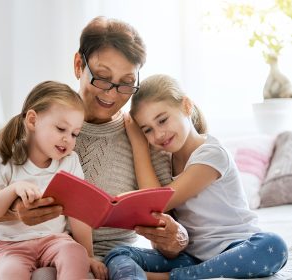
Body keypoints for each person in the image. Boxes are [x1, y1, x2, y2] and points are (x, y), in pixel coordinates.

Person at [0, 17, 189, 280]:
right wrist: (16, 210)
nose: (111, 93)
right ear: (78, 65)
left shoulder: (143, 133)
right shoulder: (45, 122)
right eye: (102, 77)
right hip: (24, 244)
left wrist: (174, 238)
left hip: (100, 257)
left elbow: (170, 231)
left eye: (126, 82)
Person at [104, 74, 289, 280]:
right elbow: (157, 215)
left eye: (163, 120)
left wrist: (139, 145)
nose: (158, 135)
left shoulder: (211, 154)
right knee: (118, 254)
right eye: (147, 130)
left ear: (186, 106)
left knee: (274, 245)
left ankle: (168, 277)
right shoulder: (165, 162)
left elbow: (159, 203)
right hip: (191, 256)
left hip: (237, 248)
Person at [0, 80, 112, 280]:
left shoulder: (70, 162)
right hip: (10, 245)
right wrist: (13, 189)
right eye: (61, 129)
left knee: (75, 254)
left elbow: (78, 216)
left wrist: (89, 255)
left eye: (75, 134)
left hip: (54, 241)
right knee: (10, 272)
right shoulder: (4, 158)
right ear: (32, 120)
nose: (68, 139)